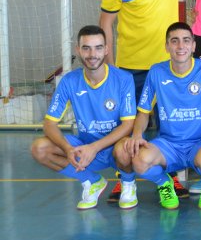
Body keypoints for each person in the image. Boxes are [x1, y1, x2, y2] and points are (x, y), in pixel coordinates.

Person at [100, 0, 192, 201]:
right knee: (129, 126)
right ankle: (124, 178)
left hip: (169, 67)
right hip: (131, 68)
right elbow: (106, 25)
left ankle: (170, 176)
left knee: (169, 126)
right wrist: (111, 68)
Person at [122, 22, 201, 209]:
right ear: (167, 46)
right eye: (175, 41)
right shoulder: (157, 71)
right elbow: (143, 111)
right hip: (168, 144)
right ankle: (165, 183)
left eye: (186, 41)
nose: (181, 46)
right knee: (139, 161)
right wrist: (137, 134)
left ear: (194, 46)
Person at [30, 26, 137, 210]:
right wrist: (68, 149)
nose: (92, 54)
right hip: (84, 146)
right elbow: (49, 123)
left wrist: (94, 148)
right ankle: (92, 181)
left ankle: (128, 184)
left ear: (106, 50)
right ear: (77, 50)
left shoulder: (123, 79)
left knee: (125, 149)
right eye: (86, 48)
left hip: (114, 147)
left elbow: (128, 125)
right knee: (39, 148)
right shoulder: (70, 81)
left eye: (98, 47)